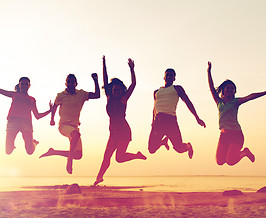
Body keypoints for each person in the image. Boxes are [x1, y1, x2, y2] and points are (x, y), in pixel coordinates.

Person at [207, 61, 266, 166]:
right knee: (220, 162)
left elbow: (251, 96)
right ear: (223, 90)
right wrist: (209, 71)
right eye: (228, 88)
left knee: (230, 161)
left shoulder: (236, 101)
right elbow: (211, 87)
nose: (230, 89)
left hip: (236, 134)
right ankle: (242, 153)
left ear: (234, 91)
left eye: (232, 88)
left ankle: (245, 152)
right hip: (223, 135)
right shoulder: (219, 101)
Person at [93, 56, 147, 186]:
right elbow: (105, 80)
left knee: (119, 158)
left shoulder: (123, 99)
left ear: (121, 90)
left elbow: (133, 84)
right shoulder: (109, 97)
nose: (116, 91)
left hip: (123, 131)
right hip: (113, 132)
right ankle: (99, 178)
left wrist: (132, 69)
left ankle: (137, 155)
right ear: (111, 90)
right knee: (106, 156)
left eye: (118, 89)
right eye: (114, 89)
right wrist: (104, 65)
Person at [40, 73, 100, 174]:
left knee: (78, 155)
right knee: (75, 135)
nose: (71, 84)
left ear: (76, 83)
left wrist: (95, 80)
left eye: (73, 82)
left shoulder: (81, 94)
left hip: (74, 126)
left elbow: (97, 95)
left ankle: (54, 152)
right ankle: (69, 161)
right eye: (69, 82)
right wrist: (52, 119)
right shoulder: (60, 95)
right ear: (66, 83)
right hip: (63, 125)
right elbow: (54, 107)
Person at [0, 74, 53, 155]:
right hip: (13, 122)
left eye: (26, 84)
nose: (24, 86)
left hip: (26, 123)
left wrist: (50, 110)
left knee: (30, 151)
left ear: (29, 86)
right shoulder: (14, 94)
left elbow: (37, 116)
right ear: (19, 85)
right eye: (22, 84)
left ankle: (34, 142)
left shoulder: (31, 99)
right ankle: (12, 146)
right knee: (8, 151)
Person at [148, 68, 206, 158]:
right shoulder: (156, 92)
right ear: (164, 77)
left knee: (179, 148)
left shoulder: (177, 89)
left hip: (170, 121)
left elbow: (188, 102)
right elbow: (154, 109)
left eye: (172, 75)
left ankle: (188, 146)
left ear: (174, 78)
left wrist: (197, 117)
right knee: (151, 149)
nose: (169, 77)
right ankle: (163, 142)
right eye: (167, 75)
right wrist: (152, 122)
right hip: (158, 122)